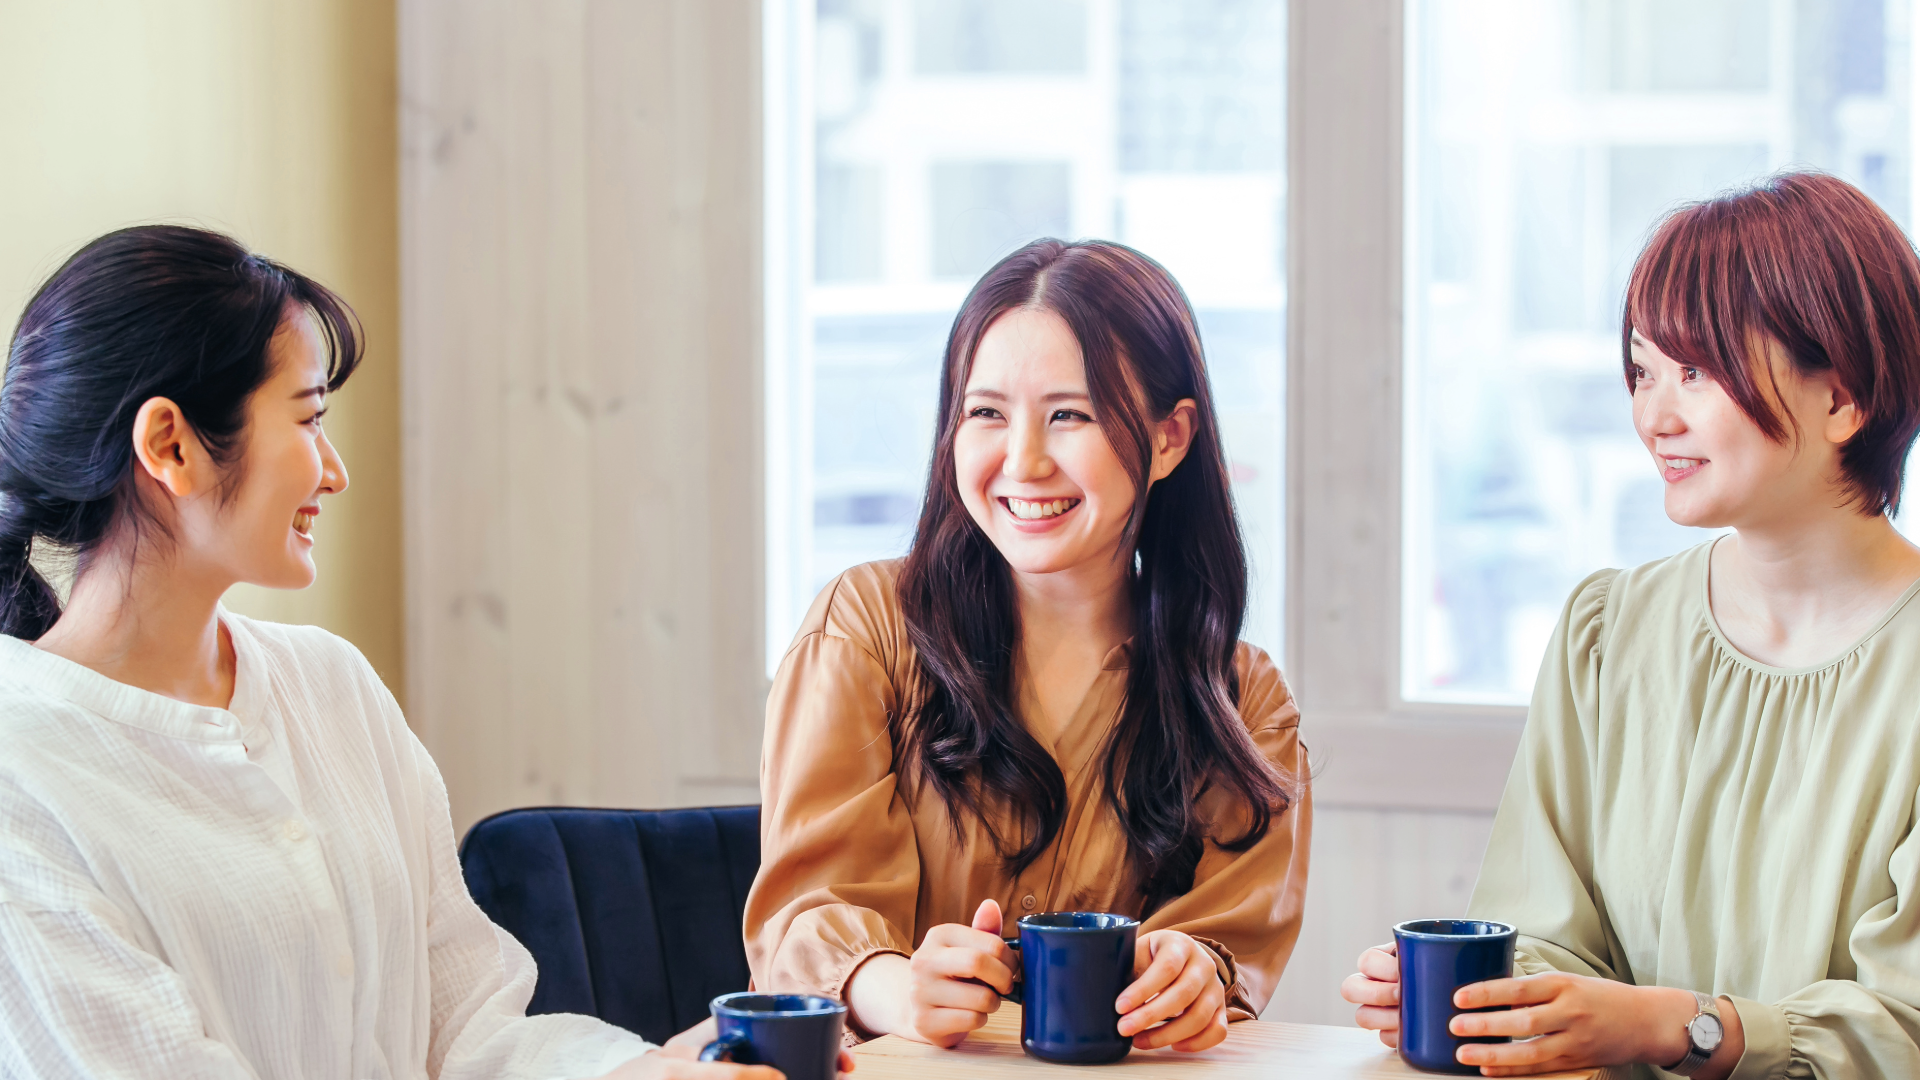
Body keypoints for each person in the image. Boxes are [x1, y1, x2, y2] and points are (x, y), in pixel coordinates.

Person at [0, 225, 829, 1080]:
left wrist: (645, 1073)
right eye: (308, 419)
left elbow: (470, 1030)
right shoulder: (21, 786)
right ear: (170, 445)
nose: (334, 469)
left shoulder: (332, 687)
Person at [1341, 171, 1920, 1078]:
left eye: (1697, 371)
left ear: (1842, 400)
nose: (1654, 415)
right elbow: (1550, 937)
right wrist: (1493, 998)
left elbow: (1906, 1026)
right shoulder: (1609, 634)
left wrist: (1676, 1027)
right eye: (1644, 372)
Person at [744, 239, 1310, 1053]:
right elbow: (803, 919)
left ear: (1169, 438)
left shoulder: (1244, 704)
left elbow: (1229, 952)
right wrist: (899, 989)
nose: (1023, 460)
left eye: (1069, 414)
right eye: (986, 413)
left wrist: (1192, 976)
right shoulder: (865, 627)